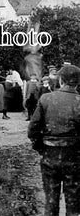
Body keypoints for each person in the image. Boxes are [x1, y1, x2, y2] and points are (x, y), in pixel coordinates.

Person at [28, 64, 80, 216]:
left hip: (49, 154)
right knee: (74, 200)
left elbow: (32, 130)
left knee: (51, 199)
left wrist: (41, 148)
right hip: (74, 156)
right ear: (77, 82)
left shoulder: (46, 98)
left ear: (61, 80)